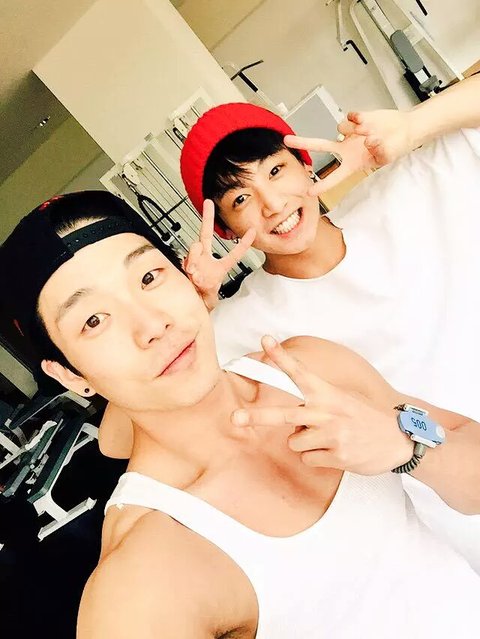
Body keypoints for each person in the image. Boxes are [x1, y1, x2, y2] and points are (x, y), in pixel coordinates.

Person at [1, 191, 479, 638]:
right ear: (69, 374)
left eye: (148, 278)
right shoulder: (144, 578)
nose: (152, 325)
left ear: (188, 278)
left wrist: (406, 444)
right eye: (94, 321)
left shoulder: (307, 367)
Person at [175, 74, 480, 568]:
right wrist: (192, 312)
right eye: (240, 200)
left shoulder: (406, 193)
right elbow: (122, 437)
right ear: (226, 230)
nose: (273, 205)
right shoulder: (242, 325)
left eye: (275, 171)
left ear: (305, 164)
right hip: (457, 520)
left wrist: (411, 126)